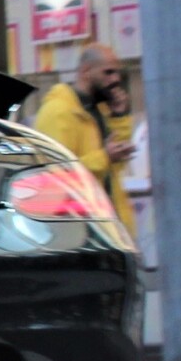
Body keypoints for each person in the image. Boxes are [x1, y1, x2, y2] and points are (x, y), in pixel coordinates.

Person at [31, 43, 134, 230]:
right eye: (108, 72)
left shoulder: (100, 110)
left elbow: (114, 166)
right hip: (80, 231)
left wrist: (119, 117)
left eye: (117, 73)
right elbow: (56, 176)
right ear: (86, 71)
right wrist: (105, 157)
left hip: (110, 227)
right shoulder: (57, 112)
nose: (116, 79)